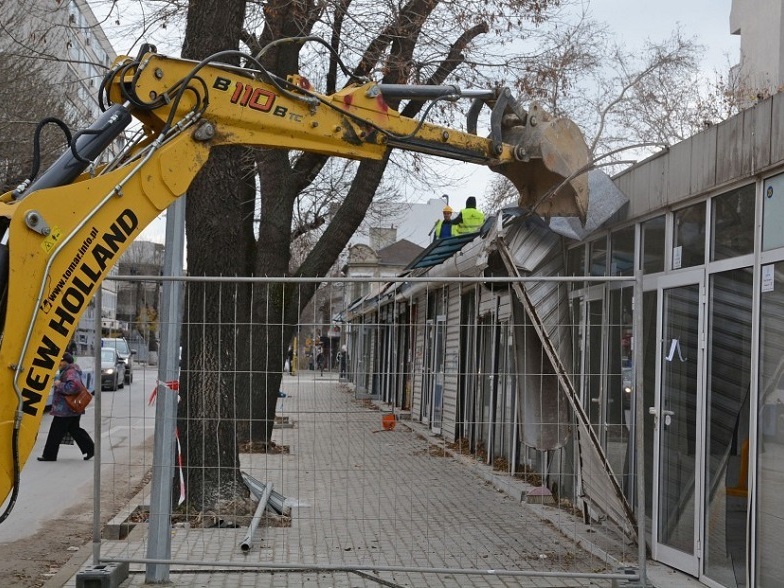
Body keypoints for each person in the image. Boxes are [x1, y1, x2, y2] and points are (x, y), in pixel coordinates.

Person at [38, 353, 94, 462]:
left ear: (66, 362)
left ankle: (49, 455)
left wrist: (59, 384)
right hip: (69, 408)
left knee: (55, 432)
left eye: (61, 361)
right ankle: (90, 449)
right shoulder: (70, 370)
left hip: (65, 409)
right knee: (74, 430)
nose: (59, 363)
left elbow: (74, 386)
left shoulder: (70, 372)